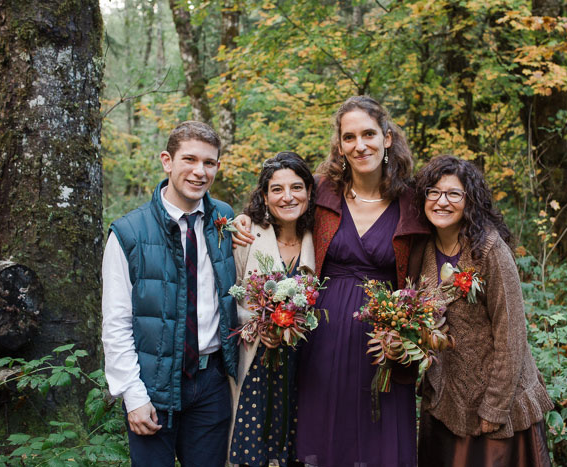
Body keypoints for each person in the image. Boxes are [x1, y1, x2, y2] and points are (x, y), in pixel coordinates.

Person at [234, 96, 430, 466]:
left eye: (369, 134)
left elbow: (443, 243)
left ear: (387, 138)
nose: (360, 145)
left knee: (380, 440)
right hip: (320, 337)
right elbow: (278, 206)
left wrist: (411, 333)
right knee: (323, 437)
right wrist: (243, 221)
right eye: (350, 137)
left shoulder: (412, 201)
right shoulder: (323, 191)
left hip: (382, 340)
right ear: (339, 145)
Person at [102, 121, 238, 467]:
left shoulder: (225, 219)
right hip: (153, 385)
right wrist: (133, 396)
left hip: (212, 383)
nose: (199, 171)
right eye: (189, 159)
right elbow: (116, 324)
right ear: (167, 161)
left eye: (209, 163)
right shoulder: (128, 233)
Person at [412, 155, 553, 467]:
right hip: (445, 398)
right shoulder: (420, 250)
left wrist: (495, 406)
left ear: (469, 200)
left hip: (495, 402)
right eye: (433, 192)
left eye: (453, 194)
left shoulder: (489, 250)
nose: (441, 202)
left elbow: (512, 334)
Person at [228, 152, 316, 467]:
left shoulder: (320, 237)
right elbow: (231, 293)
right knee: (252, 450)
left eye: (296, 187)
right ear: (264, 195)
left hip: (305, 367)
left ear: (309, 191)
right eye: (277, 189)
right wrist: (257, 325)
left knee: (298, 450)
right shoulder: (247, 234)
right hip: (257, 365)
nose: (287, 196)